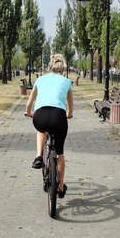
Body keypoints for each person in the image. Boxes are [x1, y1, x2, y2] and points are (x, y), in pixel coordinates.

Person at [24, 54, 73, 199]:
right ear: (63, 69)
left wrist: (28, 113)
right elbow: (70, 106)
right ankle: (61, 186)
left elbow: (29, 102)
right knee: (59, 154)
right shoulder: (67, 81)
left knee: (41, 130)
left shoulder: (40, 79)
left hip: (40, 115)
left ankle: (39, 156)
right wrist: (69, 114)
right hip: (59, 117)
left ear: (48, 68)